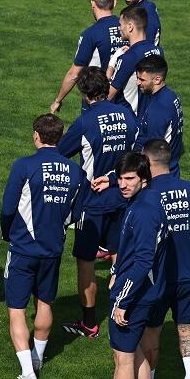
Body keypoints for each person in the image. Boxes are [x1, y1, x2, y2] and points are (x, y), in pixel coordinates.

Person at [1, 114, 84, 379]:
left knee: (17, 309)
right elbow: (77, 212)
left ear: (37, 135)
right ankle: (36, 361)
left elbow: (8, 207)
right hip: (53, 249)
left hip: (23, 247)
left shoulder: (24, 165)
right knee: (45, 302)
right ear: (60, 138)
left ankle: (27, 372)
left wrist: (6, 232)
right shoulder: (75, 172)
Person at [133, 139, 190, 379]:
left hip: (157, 278)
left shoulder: (146, 195)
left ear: (149, 162)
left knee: (151, 332)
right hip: (188, 276)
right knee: (185, 326)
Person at [58, 67, 137, 339]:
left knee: (86, 261)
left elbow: (59, 153)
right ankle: (122, 309)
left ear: (82, 92)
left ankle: (90, 322)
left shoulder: (85, 122)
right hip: (124, 196)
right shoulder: (127, 115)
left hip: (92, 201)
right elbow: (136, 155)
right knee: (120, 252)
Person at [93, 152, 167, 379]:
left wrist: (122, 299)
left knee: (122, 359)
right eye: (120, 178)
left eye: (129, 179)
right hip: (146, 291)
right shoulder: (145, 200)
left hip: (135, 295)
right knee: (135, 351)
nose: (122, 184)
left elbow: (143, 261)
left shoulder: (144, 211)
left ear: (144, 179)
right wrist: (114, 272)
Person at [51, 0, 121, 114]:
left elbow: (74, 74)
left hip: (97, 98)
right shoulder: (128, 28)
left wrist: (58, 100)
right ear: (114, 3)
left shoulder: (91, 34)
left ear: (92, 4)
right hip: (124, 98)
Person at [107, 5, 163, 117]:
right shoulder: (158, 51)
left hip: (130, 120)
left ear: (130, 27)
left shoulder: (129, 57)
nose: (119, 28)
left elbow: (108, 95)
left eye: (120, 24)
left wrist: (112, 64)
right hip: (150, 116)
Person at [132, 55, 183, 175]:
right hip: (171, 168)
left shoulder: (159, 109)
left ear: (157, 79)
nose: (137, 83)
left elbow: (152, 151)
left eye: (142, 80)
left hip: (158, 174)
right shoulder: (171, 96)